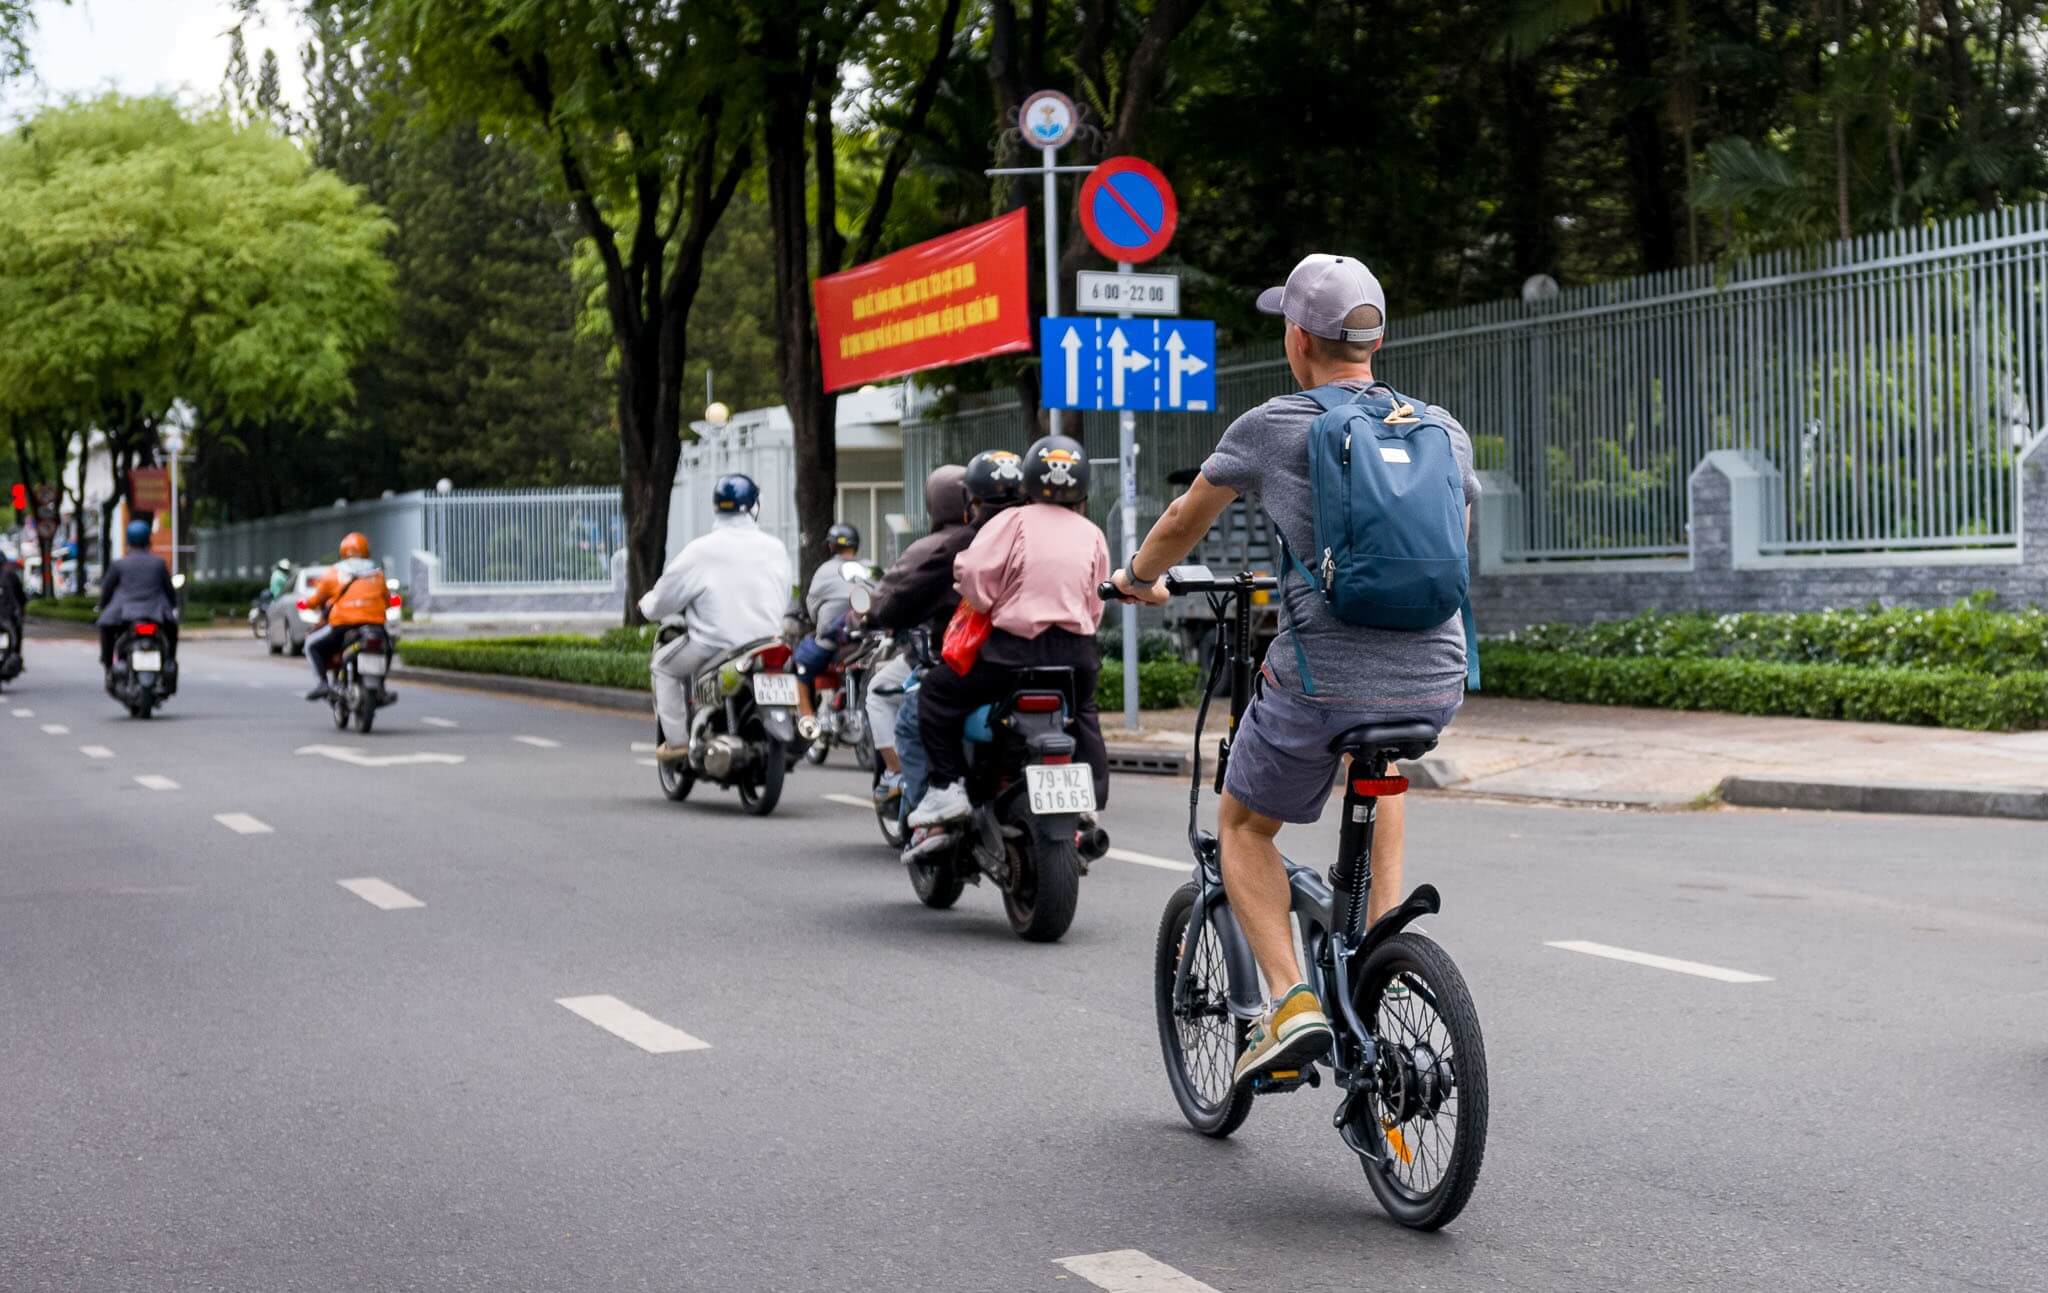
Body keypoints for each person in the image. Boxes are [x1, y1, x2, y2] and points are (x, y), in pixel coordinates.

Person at [1109, 253, 1481, 1088]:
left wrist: (1137, 577)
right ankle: (1386, 936)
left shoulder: (1274, 424)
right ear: (1374, 339)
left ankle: (1289, 1001)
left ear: (1296, 339)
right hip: (1436, 675)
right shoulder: (1442, 428)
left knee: (1243, 824)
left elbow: (1182, 517)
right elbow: (1454, 538)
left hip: (1324, 676)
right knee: (1376, 766)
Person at [909, 435, 1111, 832]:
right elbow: (1097, 599)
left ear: (1029, 481)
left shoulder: (1011, 521)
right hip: (1076, 655)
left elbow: (972, 576)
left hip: (1011, 655)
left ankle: (946, 788)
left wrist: (988, 603)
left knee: (936, 694)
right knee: (1084, 712)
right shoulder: (1092, 533)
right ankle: (1089, 797)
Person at [638, 474, 792, 763]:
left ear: (716, 507)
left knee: (663, 667)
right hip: (768, 641)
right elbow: (783, 596)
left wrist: (647, 606)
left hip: (714, 645)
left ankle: (676, 743)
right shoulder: (776, 548)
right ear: (754, 506)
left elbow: (664, 597)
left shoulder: (701, 550)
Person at [789, 522, 863, 737]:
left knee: (800, 666)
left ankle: (807, 720)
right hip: (869, 639)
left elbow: (812, 609)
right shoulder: (870, 567)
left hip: (834, 641)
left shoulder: (825, 570)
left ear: (831, 547)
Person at [302, 532, 392, 701]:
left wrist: (306, 604)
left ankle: (322, 683)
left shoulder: (334, 572)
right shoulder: (377, 573)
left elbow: (315, 600)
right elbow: (387, 600)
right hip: (374, 625)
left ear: (343, 551)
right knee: (388, 648)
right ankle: (381, 687)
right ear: (366, 550)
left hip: (343, 625)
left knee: (310, 645)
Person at [96, 519, 180, 689]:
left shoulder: (119, 564)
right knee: (172, 629)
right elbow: (169, 590)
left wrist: (103, 606)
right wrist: (172, 607)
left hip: (124, 613)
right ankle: (170, 660)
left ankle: (108, 666)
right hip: (156, 612)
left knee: (105, 628)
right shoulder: (158, 563)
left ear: (128, 540)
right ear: (148, 539)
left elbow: (107, 590)